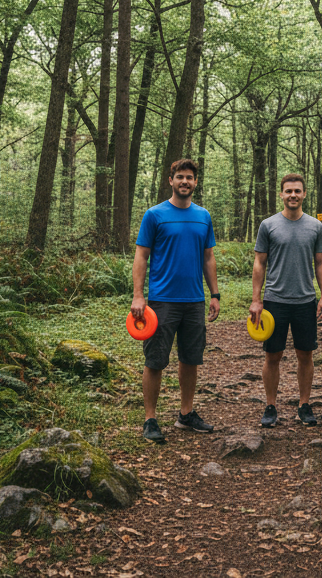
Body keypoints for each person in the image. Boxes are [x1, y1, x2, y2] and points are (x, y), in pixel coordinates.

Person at [131, 158, 221, 443]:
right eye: (180, 177)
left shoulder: (203, 216)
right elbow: (141, 256)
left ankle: (186, 414)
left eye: (190, 178)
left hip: (194, 300)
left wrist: (214, 294)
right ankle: (150, 420)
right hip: (161, 302)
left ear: (196, 182)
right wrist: (138, 295)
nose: (185, 182)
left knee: (190, 359)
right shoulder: (154, 215)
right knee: (155, 360)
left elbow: (208, 257)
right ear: (170, 180)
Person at [250, 173, 322, 428]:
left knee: (305, 355)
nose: (293, 195)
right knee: (272, 356)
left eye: (297, 191)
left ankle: (304, 405)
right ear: (281, 194)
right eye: (288, 191)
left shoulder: (315, 226)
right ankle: (270, 406)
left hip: (306, 301)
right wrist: (256, 300)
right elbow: (259, 263)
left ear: (304, 194)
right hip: (275, 301)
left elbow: (321, 262)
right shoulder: (268, 225)